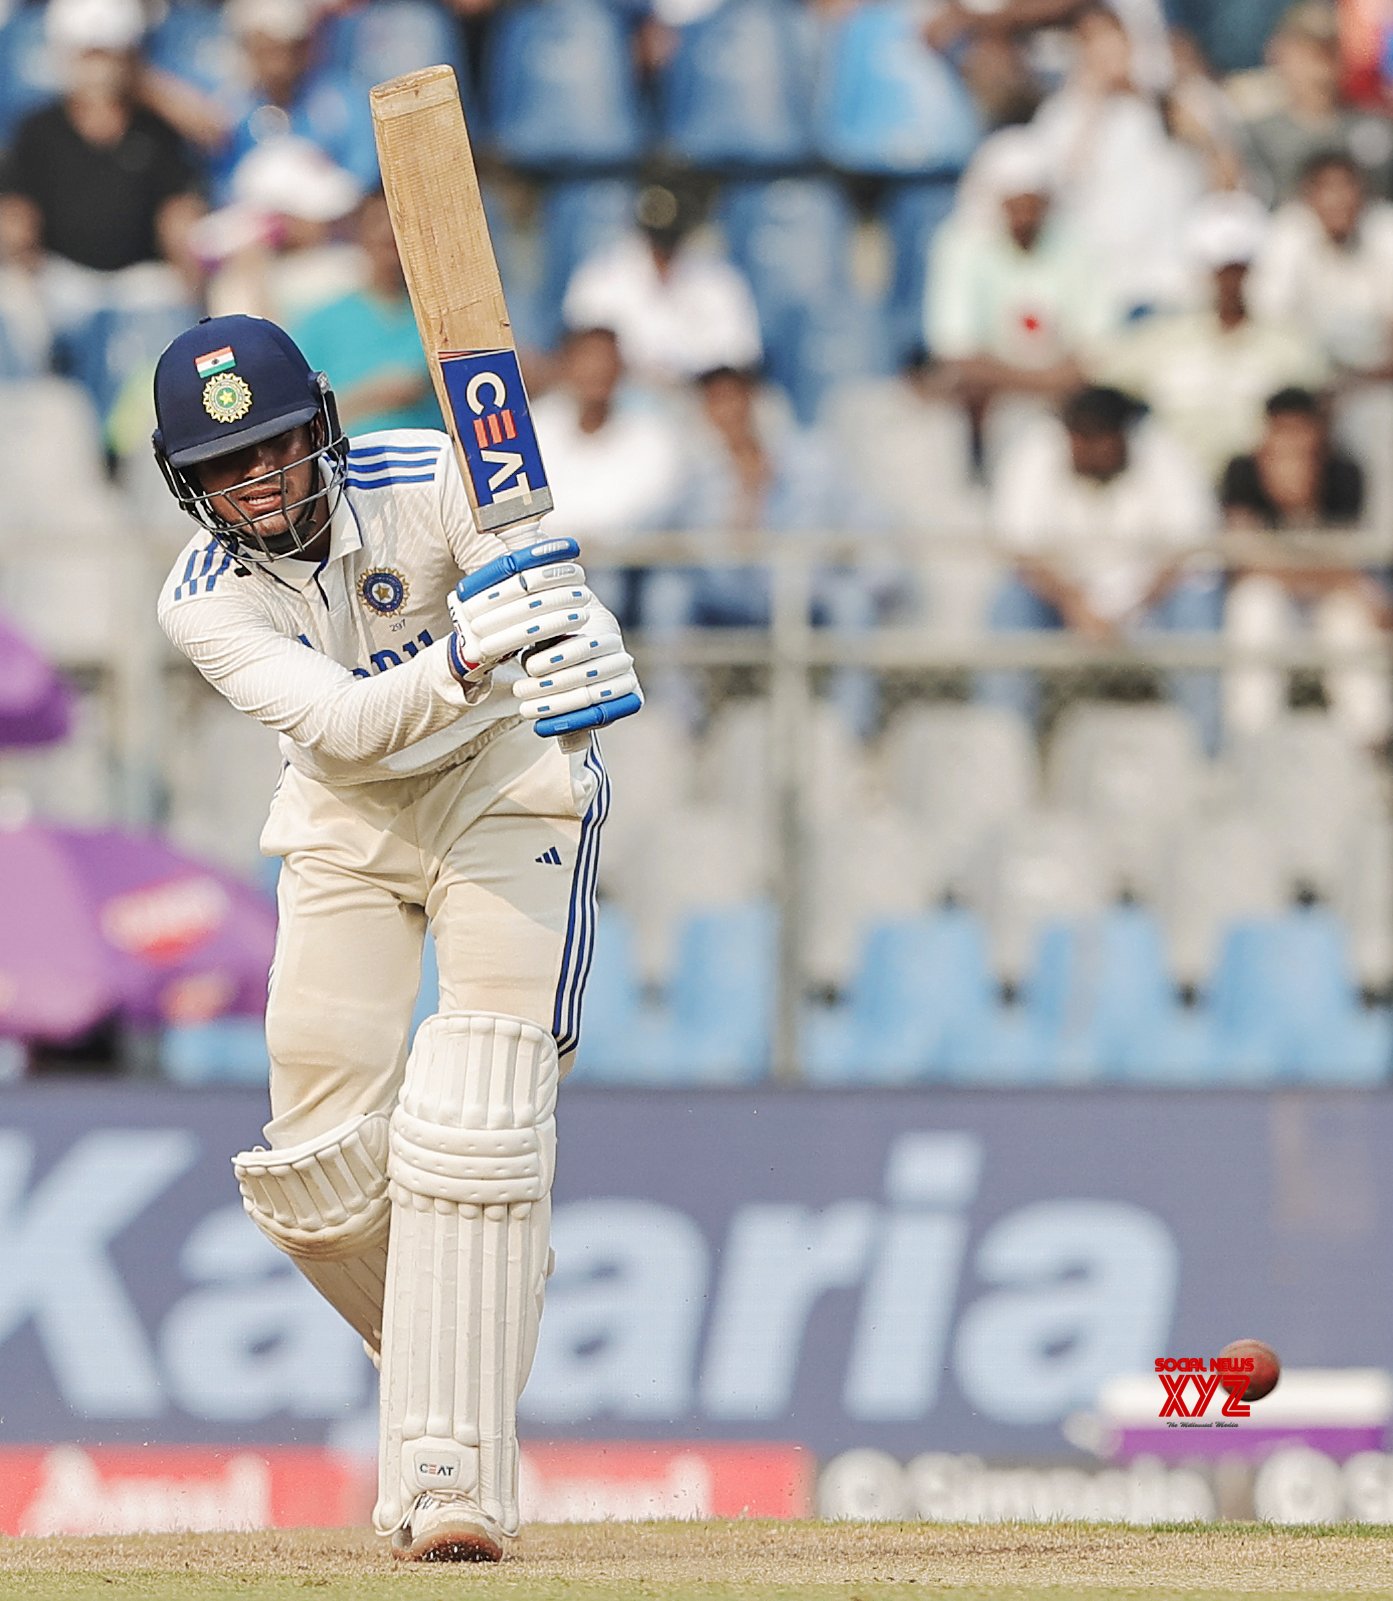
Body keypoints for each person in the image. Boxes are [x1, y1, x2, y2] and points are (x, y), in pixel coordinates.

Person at [151, 313, 641, 1561]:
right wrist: (476, 645)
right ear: (185, 481)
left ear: (322, 426)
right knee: (310, 1170)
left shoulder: (429, 473)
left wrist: (563, 617)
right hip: (347, 815)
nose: (258, 482)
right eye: (223, 467)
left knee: (479, 1111)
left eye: (273, 446)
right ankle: (459, 1319)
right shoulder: (201, 600)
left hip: (503, 786)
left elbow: (534, 578)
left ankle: (449, 1482)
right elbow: (348, 728)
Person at [982, 383, 1223, 749]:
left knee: (1197, 605)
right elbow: (1019, 550)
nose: (1086, 447)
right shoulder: (1037, 449)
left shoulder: (1162, 450)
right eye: (1079, 435)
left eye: (1098, 436)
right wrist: (1075, 603)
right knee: (1009, 606)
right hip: (1062, 606)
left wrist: (1130, 606)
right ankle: (1003, 751)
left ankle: (1205, 754)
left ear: (1122, 435)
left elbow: (1190, 548)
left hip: (1151, 606)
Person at [0, 0, 203, 349]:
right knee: (13, 299)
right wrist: (19, 246)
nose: (99, 69)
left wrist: (187, 254)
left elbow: (179, 210)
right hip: (62, 280)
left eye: (108, 55)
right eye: (88, 55)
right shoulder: (37, 129)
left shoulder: (156, 130)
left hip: (141, 282)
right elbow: (16, 212)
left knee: (176, 308)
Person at [1095, 192, 1328, 481]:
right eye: (1219, 270)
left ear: (1251, 269)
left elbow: (1320, 402)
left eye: (1236, 269)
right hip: (1174, 486)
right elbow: (1100, 375)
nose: (1228, 280)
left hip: (1252, 488)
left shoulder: (1289, 345)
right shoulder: (1163, 339)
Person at [1221, 386, 1391, 747]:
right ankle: (1251, 741)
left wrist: (1304, 499)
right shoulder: (1242, 470)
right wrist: (1315, 568)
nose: (1291, 444)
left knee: (1350, 620)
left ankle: (1372, 745)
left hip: (1327, 594)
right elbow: (1244, 562)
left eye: (1300, 431)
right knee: (1255, 605)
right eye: (1282, 432)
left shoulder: (1344, 472)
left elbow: (1348, 560)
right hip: (1282, 592)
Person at [926, 126, 1101, 415]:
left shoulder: (1077, 245)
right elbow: (956, 352)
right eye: (1016, 208)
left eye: (1034, 207)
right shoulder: (960, 245)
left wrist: (1049, 382)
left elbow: (1095, 348)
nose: (1025, 220)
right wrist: (1042, 382)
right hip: (988, 402)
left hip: (1063, 401)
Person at [561, 182, 762, 386]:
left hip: (695, 394)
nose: (663, 247)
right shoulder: (601, 274)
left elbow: (740, 355)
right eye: (657, 236)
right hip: (622, 392)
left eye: (671, 235)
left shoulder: (719, 280)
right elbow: (582, 351)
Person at [291, 190, 438, 433]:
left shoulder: (442, 319)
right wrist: (376, 395)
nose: (391, 247)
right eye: (384, 239)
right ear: (361, 237)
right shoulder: (319, 324)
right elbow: (301, 418)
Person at [1250, 150, 1393, 375]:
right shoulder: (1288, 232)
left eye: (1348, 186)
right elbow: (1270, 312)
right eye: (1329, 188)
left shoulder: (1383, 229)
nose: (1341, 199)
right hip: (1307, 370)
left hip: (1377, 373)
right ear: (1308, 195)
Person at [1241, 2, 1393, 203]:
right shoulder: (1259, 134)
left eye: (1329, 50)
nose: (1320, 67)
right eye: (1309, 53)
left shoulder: (1375, 127)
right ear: (1280, 54)